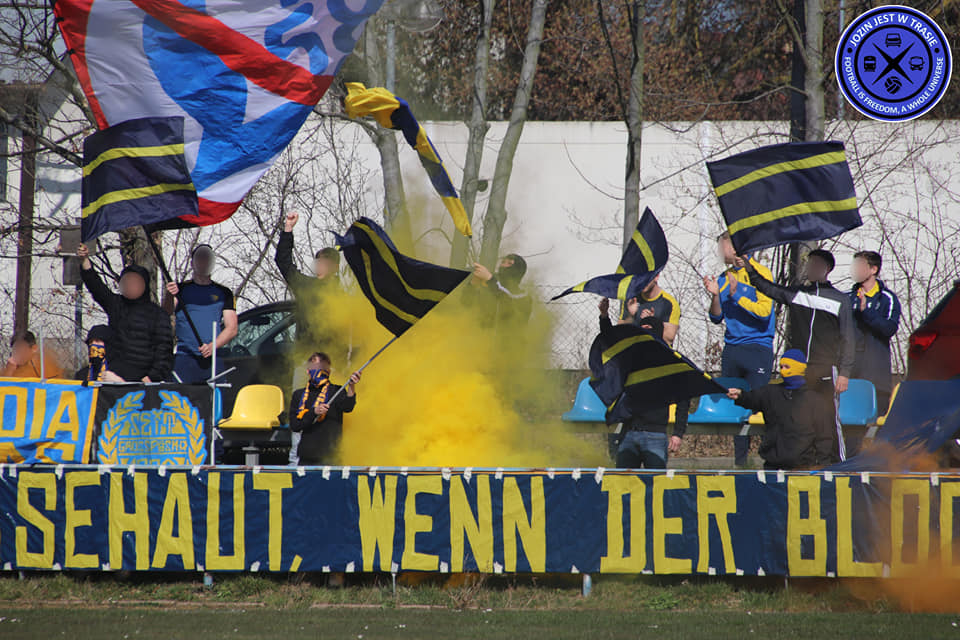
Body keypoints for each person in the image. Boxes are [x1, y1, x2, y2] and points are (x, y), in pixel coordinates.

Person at [743, 248, 855, 464]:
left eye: (815, 264)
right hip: (800, 369)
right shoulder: (798, 295)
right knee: (797, 417)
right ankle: (798, 461)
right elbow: (770, 289)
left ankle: (837, 463)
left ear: (826, 269)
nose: (810, 268)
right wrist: (751, 270)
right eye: (808, 263)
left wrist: (845, 372)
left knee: (828, 416)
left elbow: (848, 337)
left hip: (825, 367)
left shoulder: (840, 300)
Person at [704, 231, 776, 466]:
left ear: (734, 247)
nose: (720, 252)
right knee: (735, 405)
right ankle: (740, 463)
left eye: (722, 246)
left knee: (760, 405)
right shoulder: (725, 277)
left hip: (757, 348)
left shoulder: (760, 273)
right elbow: (716, 317)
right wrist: (716, 296)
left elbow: (764, 311)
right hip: (732, 349)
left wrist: (736, 297)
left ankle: (770, 460)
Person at [599, 297, 688, 468]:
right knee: (623, 485)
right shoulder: (631, 358)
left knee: (655, 485)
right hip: (628, 433)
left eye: (650, 330)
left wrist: (678, 433)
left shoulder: (670, 362)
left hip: (655, 435)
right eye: (643, 330)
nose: (646, 334)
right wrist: (604, 316)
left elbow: (683, 399)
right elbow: (611, 344)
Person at [77, 243, 174, 383]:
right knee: (98, 332)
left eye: (135, 282)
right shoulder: (116, 304)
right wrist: (85, 260)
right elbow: (96, 286)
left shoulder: (158, 314)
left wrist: (150, 378)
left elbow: (164, 352)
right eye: (127, 282)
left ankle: (118, 382)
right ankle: (99, 370)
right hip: (115, 365)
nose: (131, 286)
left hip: (142, 373)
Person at [727, 349, 819, 470]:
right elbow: (752, 398)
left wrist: (823, 464)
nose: (783, 371)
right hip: (774, 464)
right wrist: (740, 395)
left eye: (787, 367)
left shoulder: (812, 398)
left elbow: (824, 435)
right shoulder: (770, 392)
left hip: (804, 466)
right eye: (781, 367)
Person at [162, 244, 238, 383]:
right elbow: (166, 311)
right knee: (180, 401)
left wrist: (212, 346)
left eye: (207, 258)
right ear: (192, 263)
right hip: (185, 357)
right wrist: (168, 294)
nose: (203, 262)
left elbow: (232, 328)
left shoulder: (224, 293)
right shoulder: (181, 289)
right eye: (200, 258)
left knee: (215, 400)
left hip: (213, 358)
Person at [275, 211, 341, 346]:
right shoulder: (305, 286)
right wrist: (288, 229)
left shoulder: (342, 293)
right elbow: (283, 262)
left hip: (334, 357)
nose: (321, 267)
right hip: (306, 354)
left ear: (335, 267)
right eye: (319, 263)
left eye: (326, 264)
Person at [849, 250, 901, 414]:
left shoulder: (887, 298)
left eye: (860, 266)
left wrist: (866, 312)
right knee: (850, 426)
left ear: (874, 270)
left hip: (876, 376)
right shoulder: (847, 297)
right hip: (850, 374)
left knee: (875, 422)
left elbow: (889, 329)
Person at [289, 352, 361, 466]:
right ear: (308, 371)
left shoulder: (336, 391)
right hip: (307, 455)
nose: (319, 371)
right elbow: (295, 425)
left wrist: (351, 386)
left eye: (323, 368)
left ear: (329, 371)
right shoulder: (299, 395)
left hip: (331, 455)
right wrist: (314, 412)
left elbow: (348, 406)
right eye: (315, 368)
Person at [470, 254, 533, 327]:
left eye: (509, 263)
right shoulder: (489, 286)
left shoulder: (524, 296)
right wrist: (473, 284)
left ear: (518, 270)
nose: (503, 265)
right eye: (503, 262)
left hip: (505, 337)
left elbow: (508, 301)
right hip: (477, 335)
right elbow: (466, 304)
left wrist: (490, 279)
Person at [633, 274, 680, 346]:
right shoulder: (632, 300)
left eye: (646, 278)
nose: (642, 281)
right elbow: (622, 332)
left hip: (658, 353)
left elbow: (668, 340)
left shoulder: (669, 303)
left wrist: (651, 321)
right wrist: (630, 316)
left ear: (656, 276)